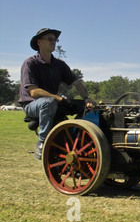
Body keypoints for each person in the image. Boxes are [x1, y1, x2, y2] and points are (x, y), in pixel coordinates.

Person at [18, 28, 95, 160]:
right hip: (31, 104)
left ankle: (75, 136)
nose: (53, 42)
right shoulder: (30, 63)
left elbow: (76, 82)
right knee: (49, 103)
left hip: (54, 102)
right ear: (39, 42)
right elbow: (34, 92)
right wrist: (58, 98)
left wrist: (87, 98)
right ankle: (43, 142)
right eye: (49, 39)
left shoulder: (59, 64)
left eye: (55, 39)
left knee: (88, 108)